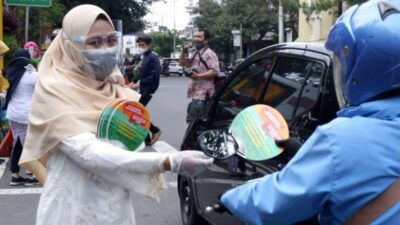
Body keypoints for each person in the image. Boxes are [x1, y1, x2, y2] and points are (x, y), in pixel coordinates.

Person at [18, 5, 213, 225]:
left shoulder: (114, 88)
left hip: (115, 207)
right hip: (71, 210)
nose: (106, 49)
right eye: (94, 42)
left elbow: (127, 142)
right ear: (71, 46)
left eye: (111, 40)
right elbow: (90, 153)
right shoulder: (54, 90)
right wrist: (169, 161)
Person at [220, 1, 400, 224]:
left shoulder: (340, 139)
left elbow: (274, 204)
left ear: (361, 66)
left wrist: (230, 197)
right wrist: (307, 153)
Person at [3, 49, 39, 186]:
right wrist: (36, 72)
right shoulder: (32, 75)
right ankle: (31, 175)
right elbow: (41, 89)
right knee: (30, 145)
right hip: (26, 115)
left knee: (18, 141)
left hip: (13, 114)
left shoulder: (12, 74)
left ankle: (15, 175)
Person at [179, 29, 220, 123]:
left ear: (206, 40)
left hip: (205, 93)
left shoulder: (209, 53)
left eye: (199, 37)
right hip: (196, 92)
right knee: (194, 121)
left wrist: (198, 76)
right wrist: (184, 50)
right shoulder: (196, 53)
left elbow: (215, 71)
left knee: (198, 121)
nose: (196, 39)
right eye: (195, 36)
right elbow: (183, 63)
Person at [128, 34, 162, 145]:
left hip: (149, 89)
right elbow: (141, 72)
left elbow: (154, 75)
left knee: (136, 112)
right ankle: (147, 138)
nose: (140, 47)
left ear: (148, 45)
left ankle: (155, 130)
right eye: (139, 45)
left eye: (142, 45)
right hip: (143, 88)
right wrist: (132, 81)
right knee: (137, 113)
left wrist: (139, 84)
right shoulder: (144, 56)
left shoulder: (153, 57)